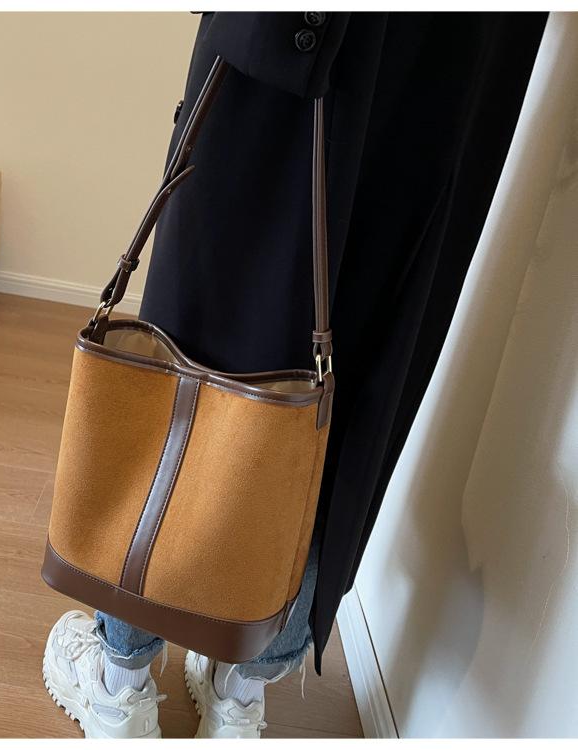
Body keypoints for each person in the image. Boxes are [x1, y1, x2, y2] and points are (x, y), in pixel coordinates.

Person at [42, 11, 547, 739]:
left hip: (296, 40)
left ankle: (120, 683)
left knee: (200, 341)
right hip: (461, 60)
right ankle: (242, 689)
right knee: (348, 382)